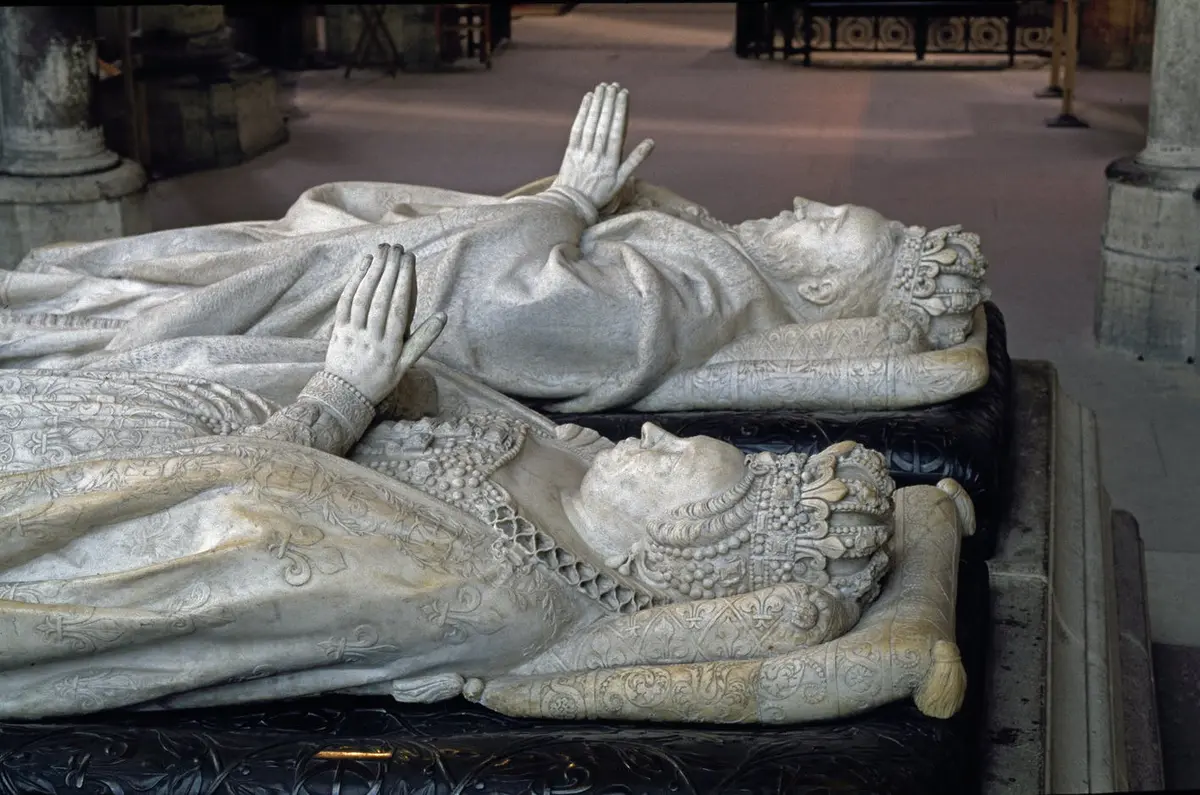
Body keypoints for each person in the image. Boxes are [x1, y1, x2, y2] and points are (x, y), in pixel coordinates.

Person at [0, 244, 970, 723]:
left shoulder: (486, 596)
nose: (658, 432)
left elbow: (235, 534)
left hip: (86, 500)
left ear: (673, 549)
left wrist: (340, 393)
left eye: (677, 466)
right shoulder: (576, 480)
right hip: (207, 410)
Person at [0, 83, 989, 413]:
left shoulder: (693, 298)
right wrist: (572, 203)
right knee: (297, 223)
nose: (806, 200)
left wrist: (567, 196)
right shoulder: (717, 259)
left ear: (820, 282)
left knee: (131, 307)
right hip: (399, 250)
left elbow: (501, 310)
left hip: (369, 298)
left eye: (825, 226)